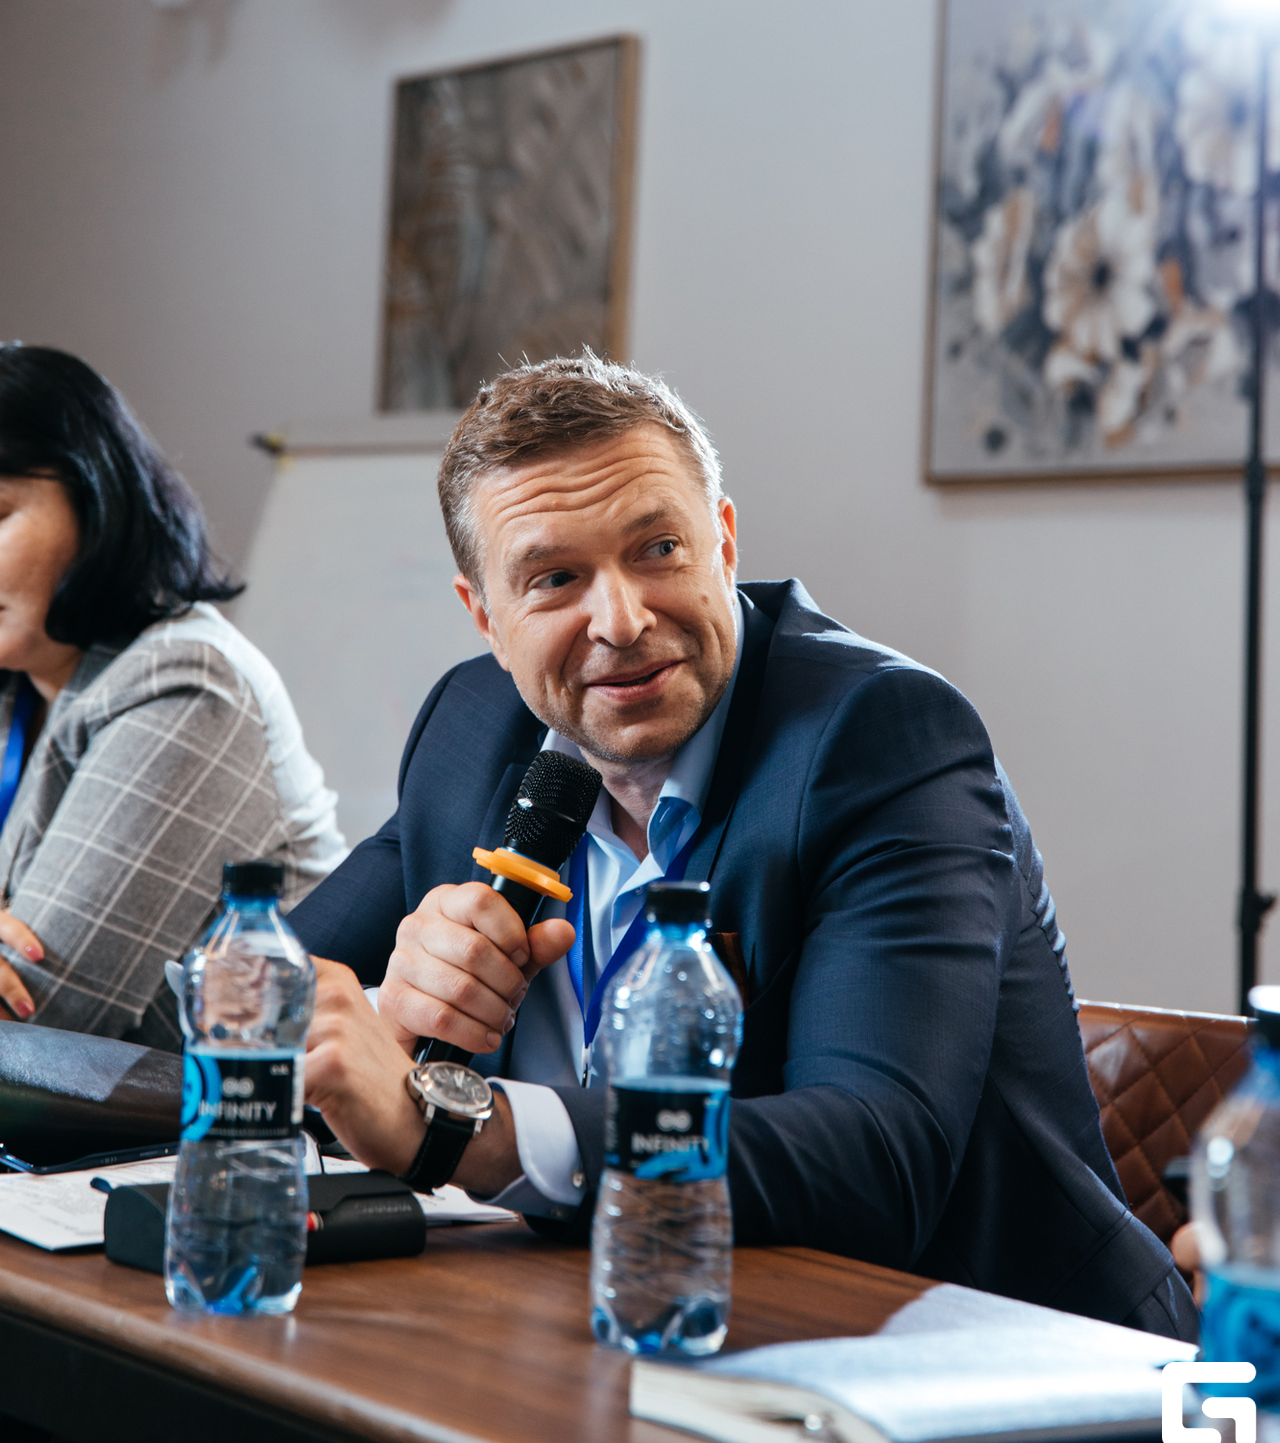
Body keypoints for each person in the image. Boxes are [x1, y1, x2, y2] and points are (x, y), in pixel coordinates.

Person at [295, 352, 1195, 1338]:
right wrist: (384, 1018)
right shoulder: (472, 730)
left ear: (721, 543)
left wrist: (452, 1126)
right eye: (554, 579)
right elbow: (244, 986)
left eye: (658, 550)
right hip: (607, 1324)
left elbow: (873, 1159)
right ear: (486, 618)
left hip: (1001, 1355)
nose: (622, 621)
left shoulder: (879, 739)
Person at [0, 344, 347, 1047]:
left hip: (236, 1110)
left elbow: (33, 1024)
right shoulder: (19, 683)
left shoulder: (183, 680)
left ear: (96, 499)